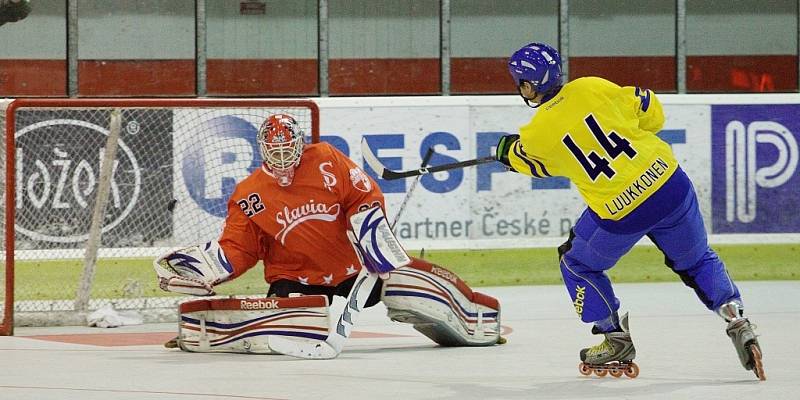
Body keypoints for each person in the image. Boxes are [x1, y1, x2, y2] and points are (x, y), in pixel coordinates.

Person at [495, 42, 764, 380]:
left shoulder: (537, 133)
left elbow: (529, 162)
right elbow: (651, 110)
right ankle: (737, 319)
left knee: (575, 262)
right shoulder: (592, 86)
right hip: (670, 183)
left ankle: (614, 337)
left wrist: (506, 152)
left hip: (622, 209)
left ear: (527, 85)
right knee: (696, 260)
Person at [155, 113, 502, 353]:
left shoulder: (326, 160)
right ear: (262, 150)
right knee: (286, 318)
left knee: (402, 287)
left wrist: (371, 235)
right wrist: (213, 266)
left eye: (287, 150)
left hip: (352, 270)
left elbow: (363, 195)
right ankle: (205, 333)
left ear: (300, 144)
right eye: (273, 152)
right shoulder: (249, 194)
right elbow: (240, 247)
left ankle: (471, 317)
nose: (281, 158)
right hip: (295, 277)